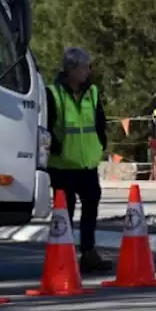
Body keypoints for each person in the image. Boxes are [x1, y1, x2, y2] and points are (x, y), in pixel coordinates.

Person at [45, 46, 112, 273]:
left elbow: (100, 121)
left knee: (91, 203)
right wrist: (55, 147)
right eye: (84, 67)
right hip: (62, 164)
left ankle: (88, 253)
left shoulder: (92, 92)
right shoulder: (53, 93)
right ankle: (61, 256)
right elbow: (46, 125)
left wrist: (101, 144)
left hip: (86, 162)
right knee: (65, 211)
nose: (88, 71)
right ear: (71, 69)